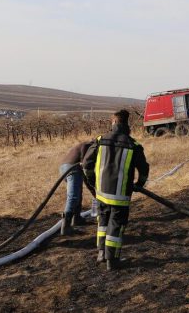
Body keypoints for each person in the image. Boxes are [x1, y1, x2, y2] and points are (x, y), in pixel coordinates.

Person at [82, 110, 149, 271]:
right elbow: (144, 168)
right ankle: (112, 260)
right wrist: (140, 183)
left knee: (103, 222)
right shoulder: (134, 145)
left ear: (113, 123)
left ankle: (101, 253)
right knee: (116, 226)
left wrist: (93, 182)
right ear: (126, 124)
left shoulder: (100, 140)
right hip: (120, 196)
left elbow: (86, 164)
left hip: (101, 193)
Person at [59, 141, 95, 236]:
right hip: (72, 168)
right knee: (73, 196)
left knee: (78, 193)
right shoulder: (90, 145)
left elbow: (87, 178)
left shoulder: (89, 147)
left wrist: (94, 192)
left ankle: (77, 218)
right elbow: (85, 166)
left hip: (65, 168)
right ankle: (65, 227)